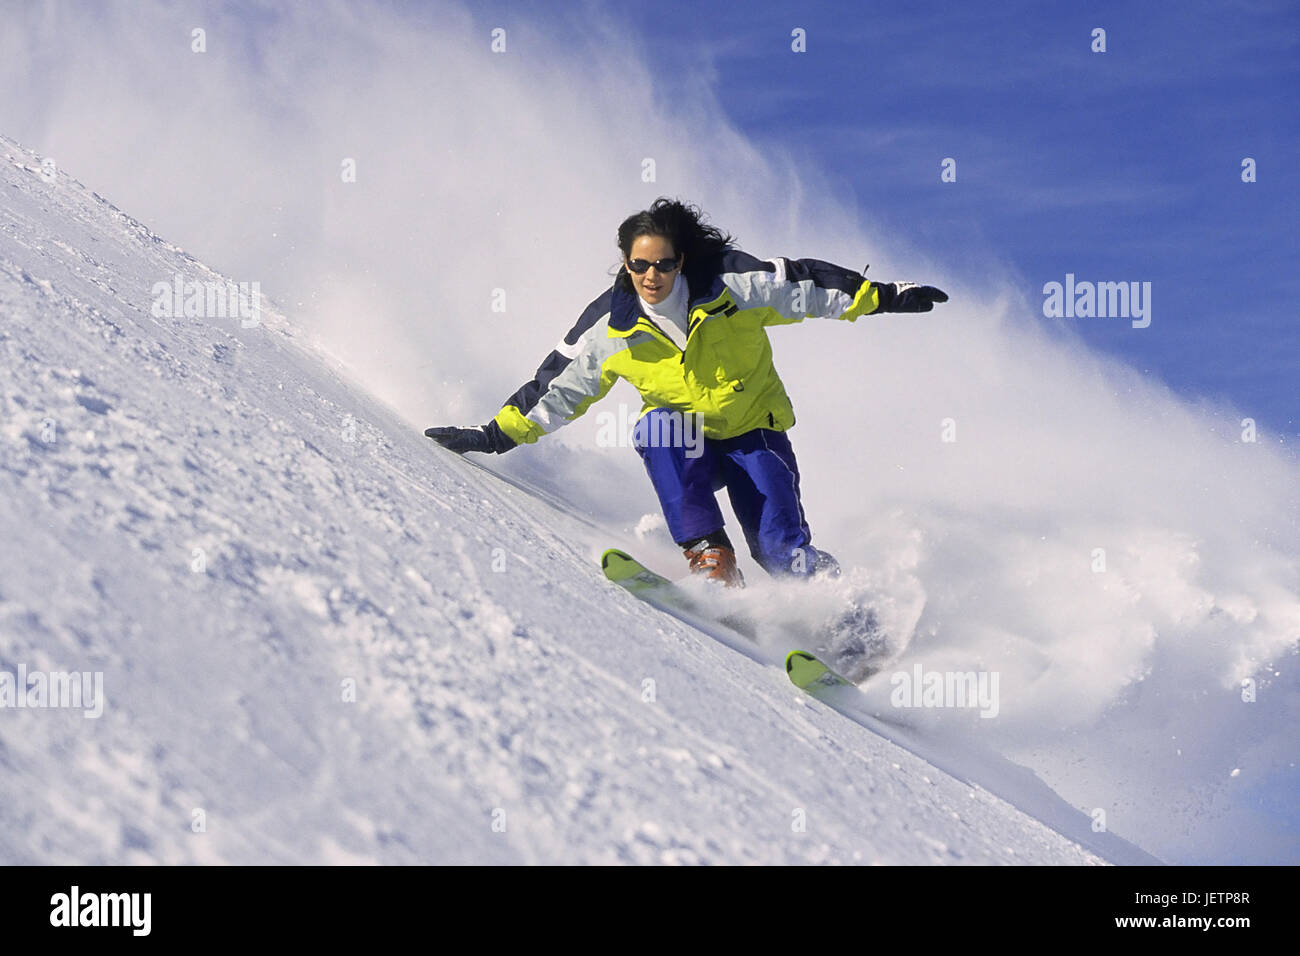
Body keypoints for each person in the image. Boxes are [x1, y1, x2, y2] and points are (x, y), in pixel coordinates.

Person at [426, 198, 947, 587]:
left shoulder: (731, 285)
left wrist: (882, 297)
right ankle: (710, 557)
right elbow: (557, 387)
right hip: (688, 442)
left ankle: (848, 619)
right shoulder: (612, 326)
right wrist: (495, 436)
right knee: (656, 428)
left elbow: (806, 286)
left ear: (681, 261)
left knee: (780, 553)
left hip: (753, 435)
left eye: (664, 264)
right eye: (639, 265)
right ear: (625, 264)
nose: (651, 276)